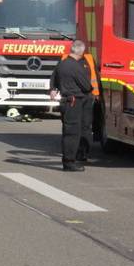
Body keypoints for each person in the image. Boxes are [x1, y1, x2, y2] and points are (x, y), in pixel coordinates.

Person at [49, 40, 94, 171]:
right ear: (81, 51)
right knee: (72, 133)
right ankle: (69, 162)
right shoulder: (75, 67)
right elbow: (86, 86)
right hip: (74, 101)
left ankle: (68, 160)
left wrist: (52, 89)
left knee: (68, 131)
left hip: (66, 101)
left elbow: (54, 79)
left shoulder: (62, 64)